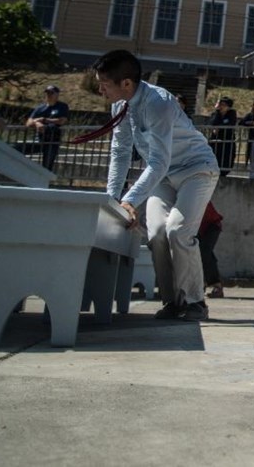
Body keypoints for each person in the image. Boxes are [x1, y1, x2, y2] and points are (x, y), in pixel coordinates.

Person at [94, 49, 222, 320]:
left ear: (126, 83)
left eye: (104, 84)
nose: (100, 89)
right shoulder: (120, 105)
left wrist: (130, 200)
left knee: (177, 230)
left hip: (196, 169)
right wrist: (112, 200)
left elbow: (158, 161)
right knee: (156, 234)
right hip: (163, 177)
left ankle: (196, 301)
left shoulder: (158, 102)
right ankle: (173, 302)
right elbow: (120, 152)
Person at [26, 84, 69, 171]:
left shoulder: (62, 106)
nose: (48, 95)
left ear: (57, 94)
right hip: (39, 139)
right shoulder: (40, 108)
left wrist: (45, 120)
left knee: (47, 165)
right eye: (47, 93)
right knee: (21, 150)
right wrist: (37, 123)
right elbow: (28, 122)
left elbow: (62, 120)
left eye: (51, 93)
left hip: (53, 140)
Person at [197, 201, 224, 300]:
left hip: (212, 226)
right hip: (198, 228)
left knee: (205, 253)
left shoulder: (197, 193)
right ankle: (201, 284)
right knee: (200, 254)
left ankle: (216, 285)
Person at [207, 96, 238, 176]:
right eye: (220, 104)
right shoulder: (215, 114)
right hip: (215, 140)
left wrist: (219, 127)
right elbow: (211, 123)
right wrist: (217, 112)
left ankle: (223, 173)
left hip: (227, 140)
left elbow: (230, 123)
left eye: (224, 105)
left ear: (228, 107)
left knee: (226, 159)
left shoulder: (232, 113)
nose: (221, 106)